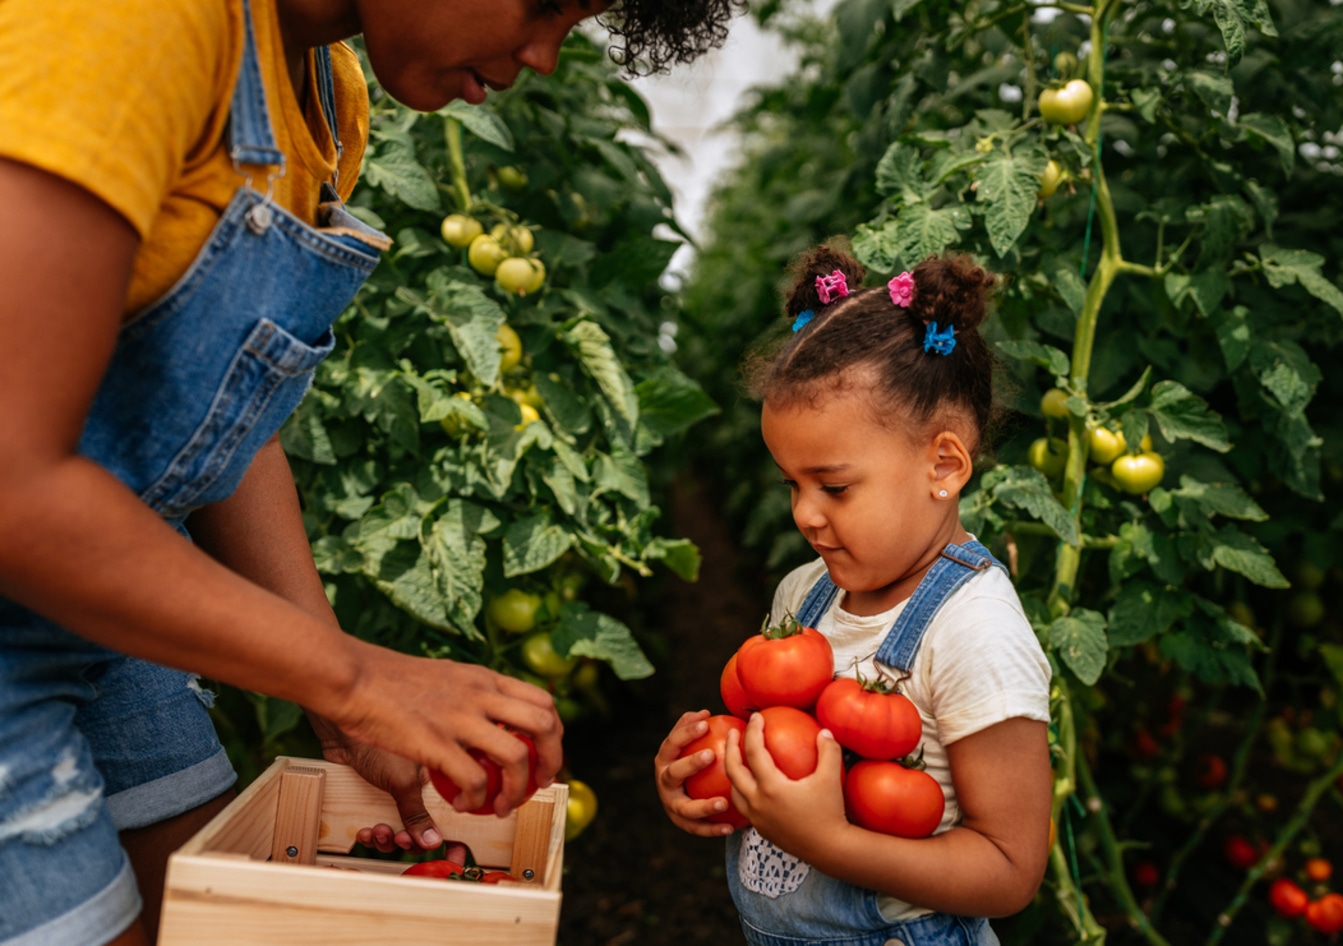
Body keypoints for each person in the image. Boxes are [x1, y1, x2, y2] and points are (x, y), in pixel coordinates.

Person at [0, 1, 738, 945]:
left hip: (99, 595)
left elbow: (226, 417)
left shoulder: (326, 97)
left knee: (201, 906)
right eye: (545, 3)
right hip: (37, 555)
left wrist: (335, 706)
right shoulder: (144, 25)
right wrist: (352, 675)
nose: (547, 57)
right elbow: (14, 481)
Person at [653, 245, 1053, 945]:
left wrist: (828, 842)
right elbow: (778, 751)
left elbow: (1009, 870)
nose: (805, 514)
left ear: (943, 464)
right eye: (791, 484)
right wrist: (713, 776)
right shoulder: (802, 594)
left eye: (833, 487)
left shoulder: (973, 632)